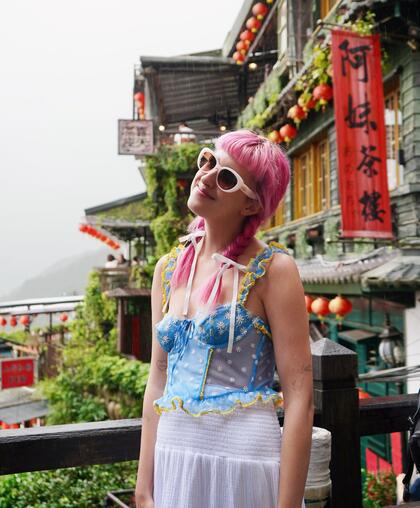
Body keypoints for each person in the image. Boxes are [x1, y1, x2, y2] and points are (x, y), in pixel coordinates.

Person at [135, 130, 313, 508]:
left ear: (251, 206)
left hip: (244, 462)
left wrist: (288, 505)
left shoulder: (273, 271)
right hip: (173, 456)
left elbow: (299, 397)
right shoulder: (167, 269)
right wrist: (143, 484)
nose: (207, 176)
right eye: (208, 161)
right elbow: (158, 378)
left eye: (227, 178)